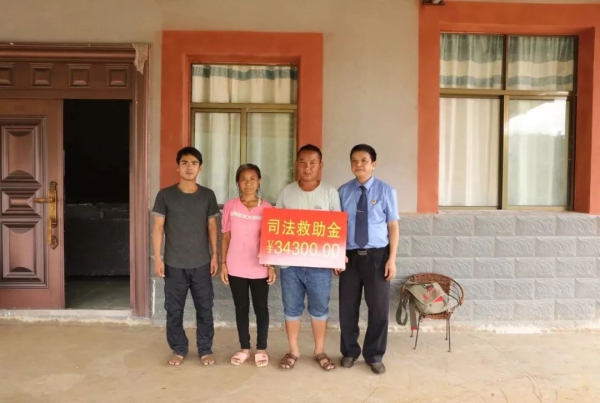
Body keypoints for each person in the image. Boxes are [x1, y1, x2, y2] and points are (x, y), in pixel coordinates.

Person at [275, 144, 342, 371]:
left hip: (320, 266)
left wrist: (337, 258)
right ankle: (293, 351)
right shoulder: (286, 192)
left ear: (320, 165)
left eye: (312, 163)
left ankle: (319, 351)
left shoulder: (330, 193)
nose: (307, 167)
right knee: (291, 309)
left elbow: (337, 229)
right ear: (296, 164)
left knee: (319, 309)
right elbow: (276, 227)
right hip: (290, 265)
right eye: (303, 162)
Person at [152, 146, 219, 367]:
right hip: (174, 264)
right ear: (177, 167)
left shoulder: (207, 195)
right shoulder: (165, 195)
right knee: (173, 310)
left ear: (200, 168)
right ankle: (179, 348)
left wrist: (215, 255)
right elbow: (158, 227)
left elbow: (212, 226)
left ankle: (205, 349)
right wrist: (158, 259)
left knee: (205, 308)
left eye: (194, 163)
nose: (189, 167)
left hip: (201, 263)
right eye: (185, 163)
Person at [336, 144, 399, 375]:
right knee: (347, 308)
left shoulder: (386, 191)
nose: (358, 164)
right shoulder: (343, 191)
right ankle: (349, 351)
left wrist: (391, 259)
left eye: (364, 160)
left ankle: (374, 354)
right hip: (350, 257)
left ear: (374, 164)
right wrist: (337, 255)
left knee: (379, 308)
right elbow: (337, 226)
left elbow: (393, 226)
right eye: (354, 160)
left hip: (377, 257)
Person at [220, 164, 276, 367]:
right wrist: (223, 263)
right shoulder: (231, 206)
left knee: (261, 308)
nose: (248, 183)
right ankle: (244, 347)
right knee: (241, 307)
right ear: (238, 182)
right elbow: (226, 236)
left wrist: (271, 266)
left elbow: (271, 239)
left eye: (253, 179)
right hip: (235, 265)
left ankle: (261, 348)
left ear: (259, 181)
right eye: (243, 179)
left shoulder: (267, 208)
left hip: (259, 266)